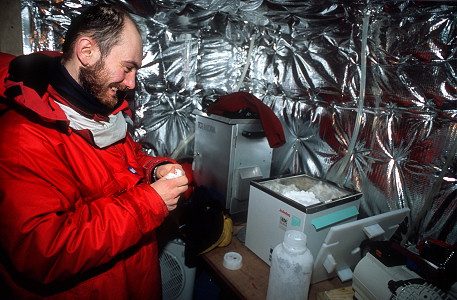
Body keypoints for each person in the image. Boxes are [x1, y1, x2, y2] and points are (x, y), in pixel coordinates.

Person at [0, 4, 189, 299]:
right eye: (127, 67)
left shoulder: (99, 111)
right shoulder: (23, 135)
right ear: (87, 52)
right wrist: (150, 201)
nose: (132, 83)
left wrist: (153, 169)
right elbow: (44, 251)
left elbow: (124, 164)